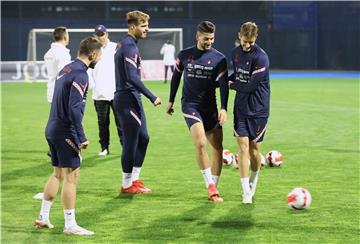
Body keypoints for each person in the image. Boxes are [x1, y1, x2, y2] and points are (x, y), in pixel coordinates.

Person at [34, 36, 103, 235]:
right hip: (66, 130)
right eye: (99, 55)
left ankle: (43, 217)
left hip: (52, 128)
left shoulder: (65, 70)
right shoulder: (81, 74)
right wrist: (80, 136)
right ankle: (70, 224)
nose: (99, 58)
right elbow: (74, 108)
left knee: (57, 174)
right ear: (93, 54)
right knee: (71, 177)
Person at [166, 21, 229, 202]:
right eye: (205, 38)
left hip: (210, 108)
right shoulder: (185, 55)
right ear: (197, 36)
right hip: (190, 106)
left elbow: (223, 86)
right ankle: (210, 187)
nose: (209, 41)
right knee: (201, 143)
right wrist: (171, 100)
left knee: (217, 148)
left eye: (211, 38)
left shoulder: (220, 59)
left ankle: (214, 186)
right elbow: (176, 77)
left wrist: (223, 108)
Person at [114, 10, 161, 194]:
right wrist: (152, 96)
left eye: (147, 25)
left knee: (144, 138)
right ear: (132, 27)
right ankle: (126, 185)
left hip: (133, 98)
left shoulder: (129, 44)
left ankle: (135, 179)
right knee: (131, 142)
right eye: (143, 26)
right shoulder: (128, 46)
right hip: (127, 98)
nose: (147, 29)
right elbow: (132, 78)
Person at [229, 22, 270, 204]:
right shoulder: (236, 54)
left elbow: (250, 86)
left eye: (250, 42)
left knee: (254, 151)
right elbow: (237, 76)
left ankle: (253, 182)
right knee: (243, 148)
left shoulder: (261, 58)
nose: (247, 45)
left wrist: (229, 85)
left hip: (259, 110)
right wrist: (218, 80)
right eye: (245, 41)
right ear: (240, 36)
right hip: (241, 109)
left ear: (255, 39)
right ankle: (246, 192)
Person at [88, 24, 123, 156]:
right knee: (102, 123)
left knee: (120, 122)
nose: (100, 37)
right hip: (99, 93)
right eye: (98, 35)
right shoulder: (92, 50)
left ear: (107, 34)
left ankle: (125, 146)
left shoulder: (116, 47)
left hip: (116, 92)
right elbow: (88, 69)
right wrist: (93, 85)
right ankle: (104, 148)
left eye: (102, 34)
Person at [44, 26, 71, 103]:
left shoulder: (50, 52)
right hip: (62, 93)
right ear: (65, 36)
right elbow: (65, 73)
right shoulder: (62, 53)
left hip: (52, 90)